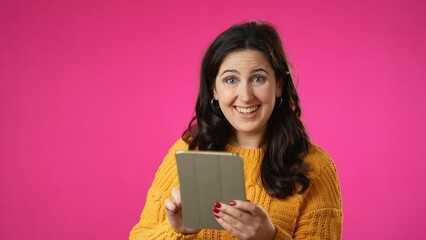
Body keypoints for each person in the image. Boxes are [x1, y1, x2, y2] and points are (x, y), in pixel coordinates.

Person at [129, 21, 343, 239]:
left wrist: (269, 236)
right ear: (214, 89)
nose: (246, 95)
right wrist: (177, 232)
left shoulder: (316, 167)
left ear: (278, 84)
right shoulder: (188, 150)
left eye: (258, 78)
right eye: (231, 80)